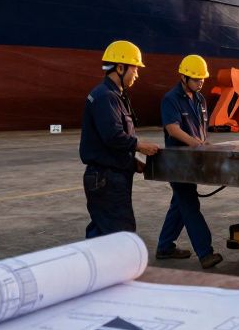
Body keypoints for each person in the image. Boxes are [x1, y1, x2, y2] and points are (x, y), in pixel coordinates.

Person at [79, 40, 160, 239]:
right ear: (120, 67)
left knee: (101, 232)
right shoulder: (106, 96)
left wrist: (133, 162)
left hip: (107, 176)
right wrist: (140, 146)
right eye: (135, 69)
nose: (137, 74)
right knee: (120, 234)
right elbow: (113, 136)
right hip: (107, 178)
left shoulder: (112, 95)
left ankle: (93, 259)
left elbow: (111, 141)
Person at [156, 54, 223, 268]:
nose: (200, 82)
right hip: (177, 163)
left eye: (202, 79)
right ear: (183, 78)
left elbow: (201, 129)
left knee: (180, 204)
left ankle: (165, 247)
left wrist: (204, 143)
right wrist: (195, 143)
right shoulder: (171, 99)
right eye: (196, 79)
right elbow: (172, 129)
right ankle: (205, 253)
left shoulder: (200, 99)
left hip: (193, 161)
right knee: (189, 204)